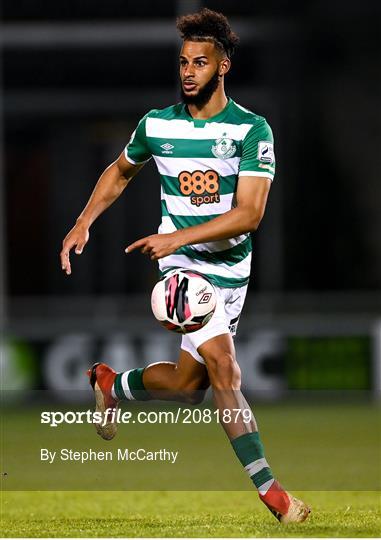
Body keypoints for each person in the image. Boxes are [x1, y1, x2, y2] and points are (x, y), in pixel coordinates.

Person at [60, 8, 310, 524]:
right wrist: (84, 221)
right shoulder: (156, 124)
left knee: (187, 383)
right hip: (182, 267)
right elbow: (120, 171)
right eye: (182, 62)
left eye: (200, 62)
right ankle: (274, 494)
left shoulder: (250, 130)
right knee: (226, 368)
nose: (188, 71)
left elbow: (250, 214)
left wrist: (178, 233)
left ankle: (113, 384)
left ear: (223, 67)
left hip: (231, 267)